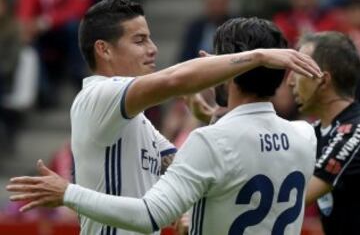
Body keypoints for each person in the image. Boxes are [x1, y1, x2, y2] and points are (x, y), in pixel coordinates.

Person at [7, 17, 321, 234]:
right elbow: (242, 168)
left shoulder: (210, 142)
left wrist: (68, 193)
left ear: (232, 69)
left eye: (217, 61)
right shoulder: (304, 135)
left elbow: (148, 215)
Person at [286, 31, 360, 235]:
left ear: (323, 80)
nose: (290, 82)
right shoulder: (316, 132)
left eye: (297, 71)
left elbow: (291, 201)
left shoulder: (354, 132)